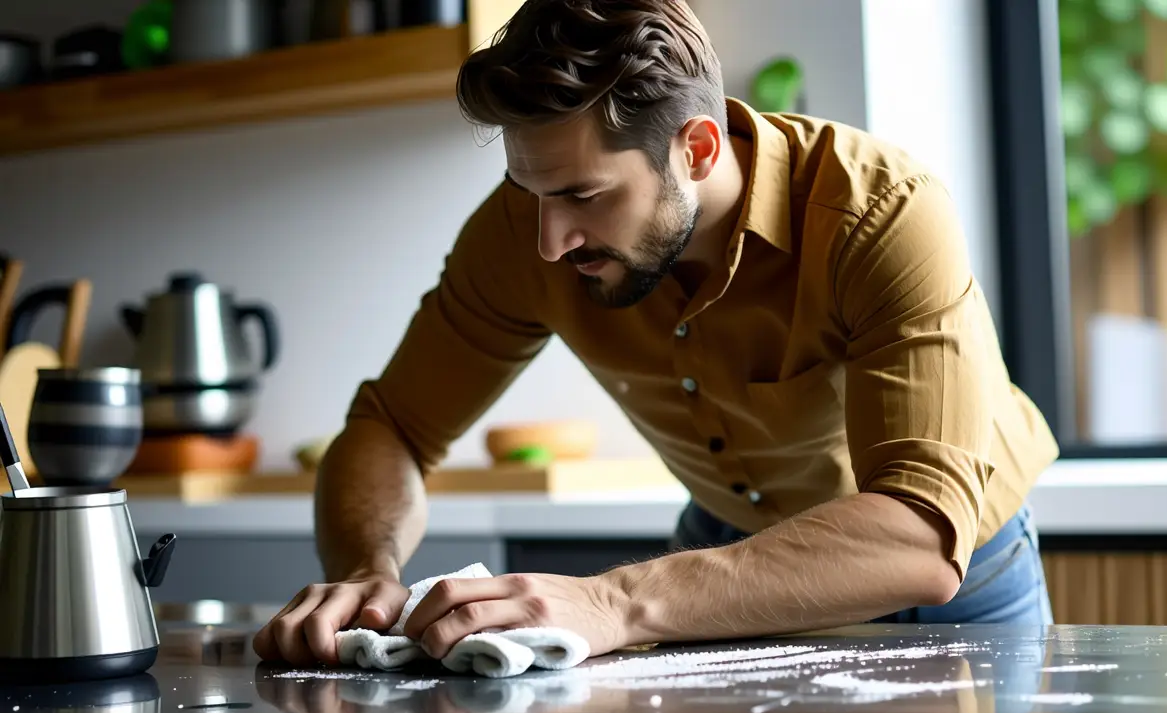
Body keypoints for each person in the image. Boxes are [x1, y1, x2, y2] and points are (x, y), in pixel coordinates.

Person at [253, 0, 1061, 668]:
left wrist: (611, 600)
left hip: (955, 572)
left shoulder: (880, 213)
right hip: (727, 549)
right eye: (530, 191)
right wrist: (368, 570)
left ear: (697, 150)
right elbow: (389, 426)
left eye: (584, 195)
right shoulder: (529, 227)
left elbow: (919, 536)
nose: (548, 241)